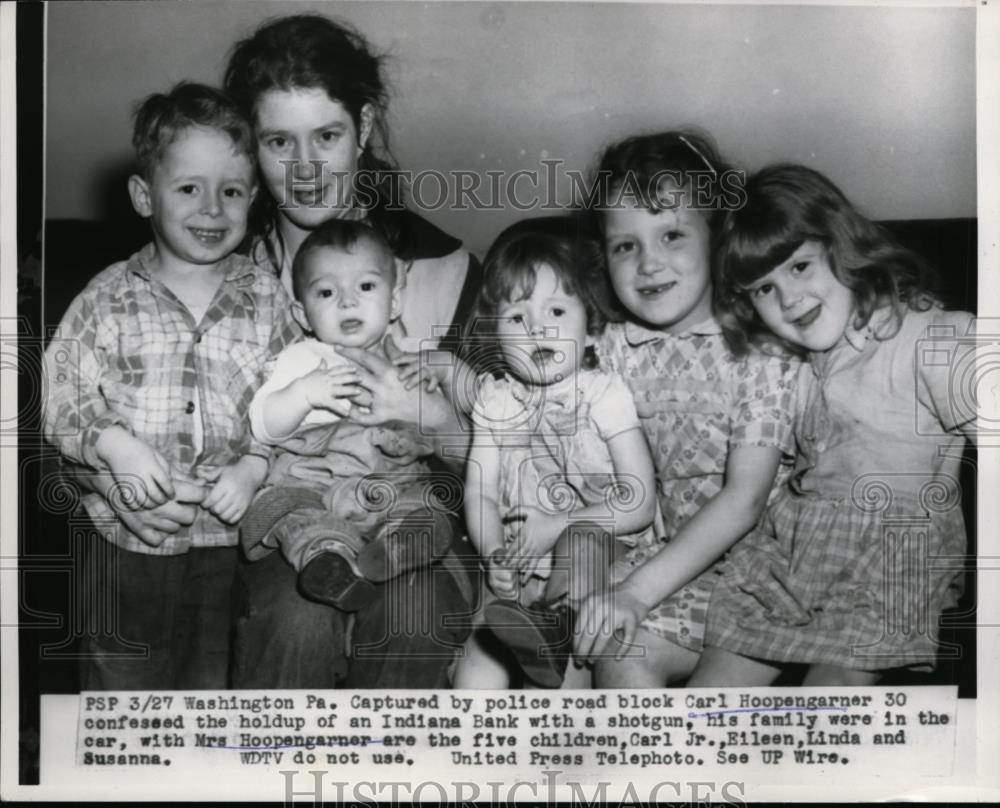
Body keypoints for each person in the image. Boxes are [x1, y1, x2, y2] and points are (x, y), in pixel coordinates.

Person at [221, 13, 481, 689]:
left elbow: (522, 453)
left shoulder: (445, 267)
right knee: (299, 616)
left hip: (417, 523)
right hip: (291, 521)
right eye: (280, 141)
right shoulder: (224, 280)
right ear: (251, 146)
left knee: (413, 611)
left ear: (363, 129)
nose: (305, 170)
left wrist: (437, 427)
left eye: (327, 137)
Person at [41, 83, 297, 689]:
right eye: (189, 188)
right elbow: (55, 388)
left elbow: (296, 406)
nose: (213, 208)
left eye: (231, 191)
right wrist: (111, 446)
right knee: (119, 684)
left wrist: (254, 467)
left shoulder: (267, 298)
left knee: (207, 686)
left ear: (253, 200)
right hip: (123, 538)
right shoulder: (107, 296)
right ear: (142, 196)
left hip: (227, 541)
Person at [687, 165, 976, 685]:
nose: (788, 299)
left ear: (842, 247)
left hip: (891, 549)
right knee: (708, 690)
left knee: (828, 696)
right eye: (763, 289)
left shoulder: (931, 337)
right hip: (793, 547)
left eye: (799, 267)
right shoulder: (791, 365)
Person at [571, 131, 800, 686]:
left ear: (717, 237)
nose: (649, 264)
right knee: (609, 656)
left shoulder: (758, 350)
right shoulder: (615, 348)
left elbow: (744, 500)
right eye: (626, 245)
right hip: (672, 566)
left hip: (764, 574)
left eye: (672, 234)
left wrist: (635, 592)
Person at [410, 227, 660, 688]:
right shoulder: (497, 402)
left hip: (600, 555)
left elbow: (639, 503)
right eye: (517, 317)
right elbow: (481, 491)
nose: (537, 328)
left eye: (557, 311)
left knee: (578, 549)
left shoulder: (604, 396)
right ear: (497, 339)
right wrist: (493, 554)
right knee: (475, 671)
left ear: (591, 332)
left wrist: (557, 526)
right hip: (520, 560)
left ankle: (557, 641)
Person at [239, 218, 455, 610]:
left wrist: (421, 418)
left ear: (394, 302)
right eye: (326, 292)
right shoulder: (301, 359)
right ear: (303, 314)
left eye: (366, 286)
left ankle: (400, 545)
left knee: (427, 505)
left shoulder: (412, 360)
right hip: (318, 486)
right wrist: (304, 393)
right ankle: (328, 562)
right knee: (298, 516)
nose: (348, 301)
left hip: (391, 487)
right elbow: (264, 424)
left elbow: (437, 437)